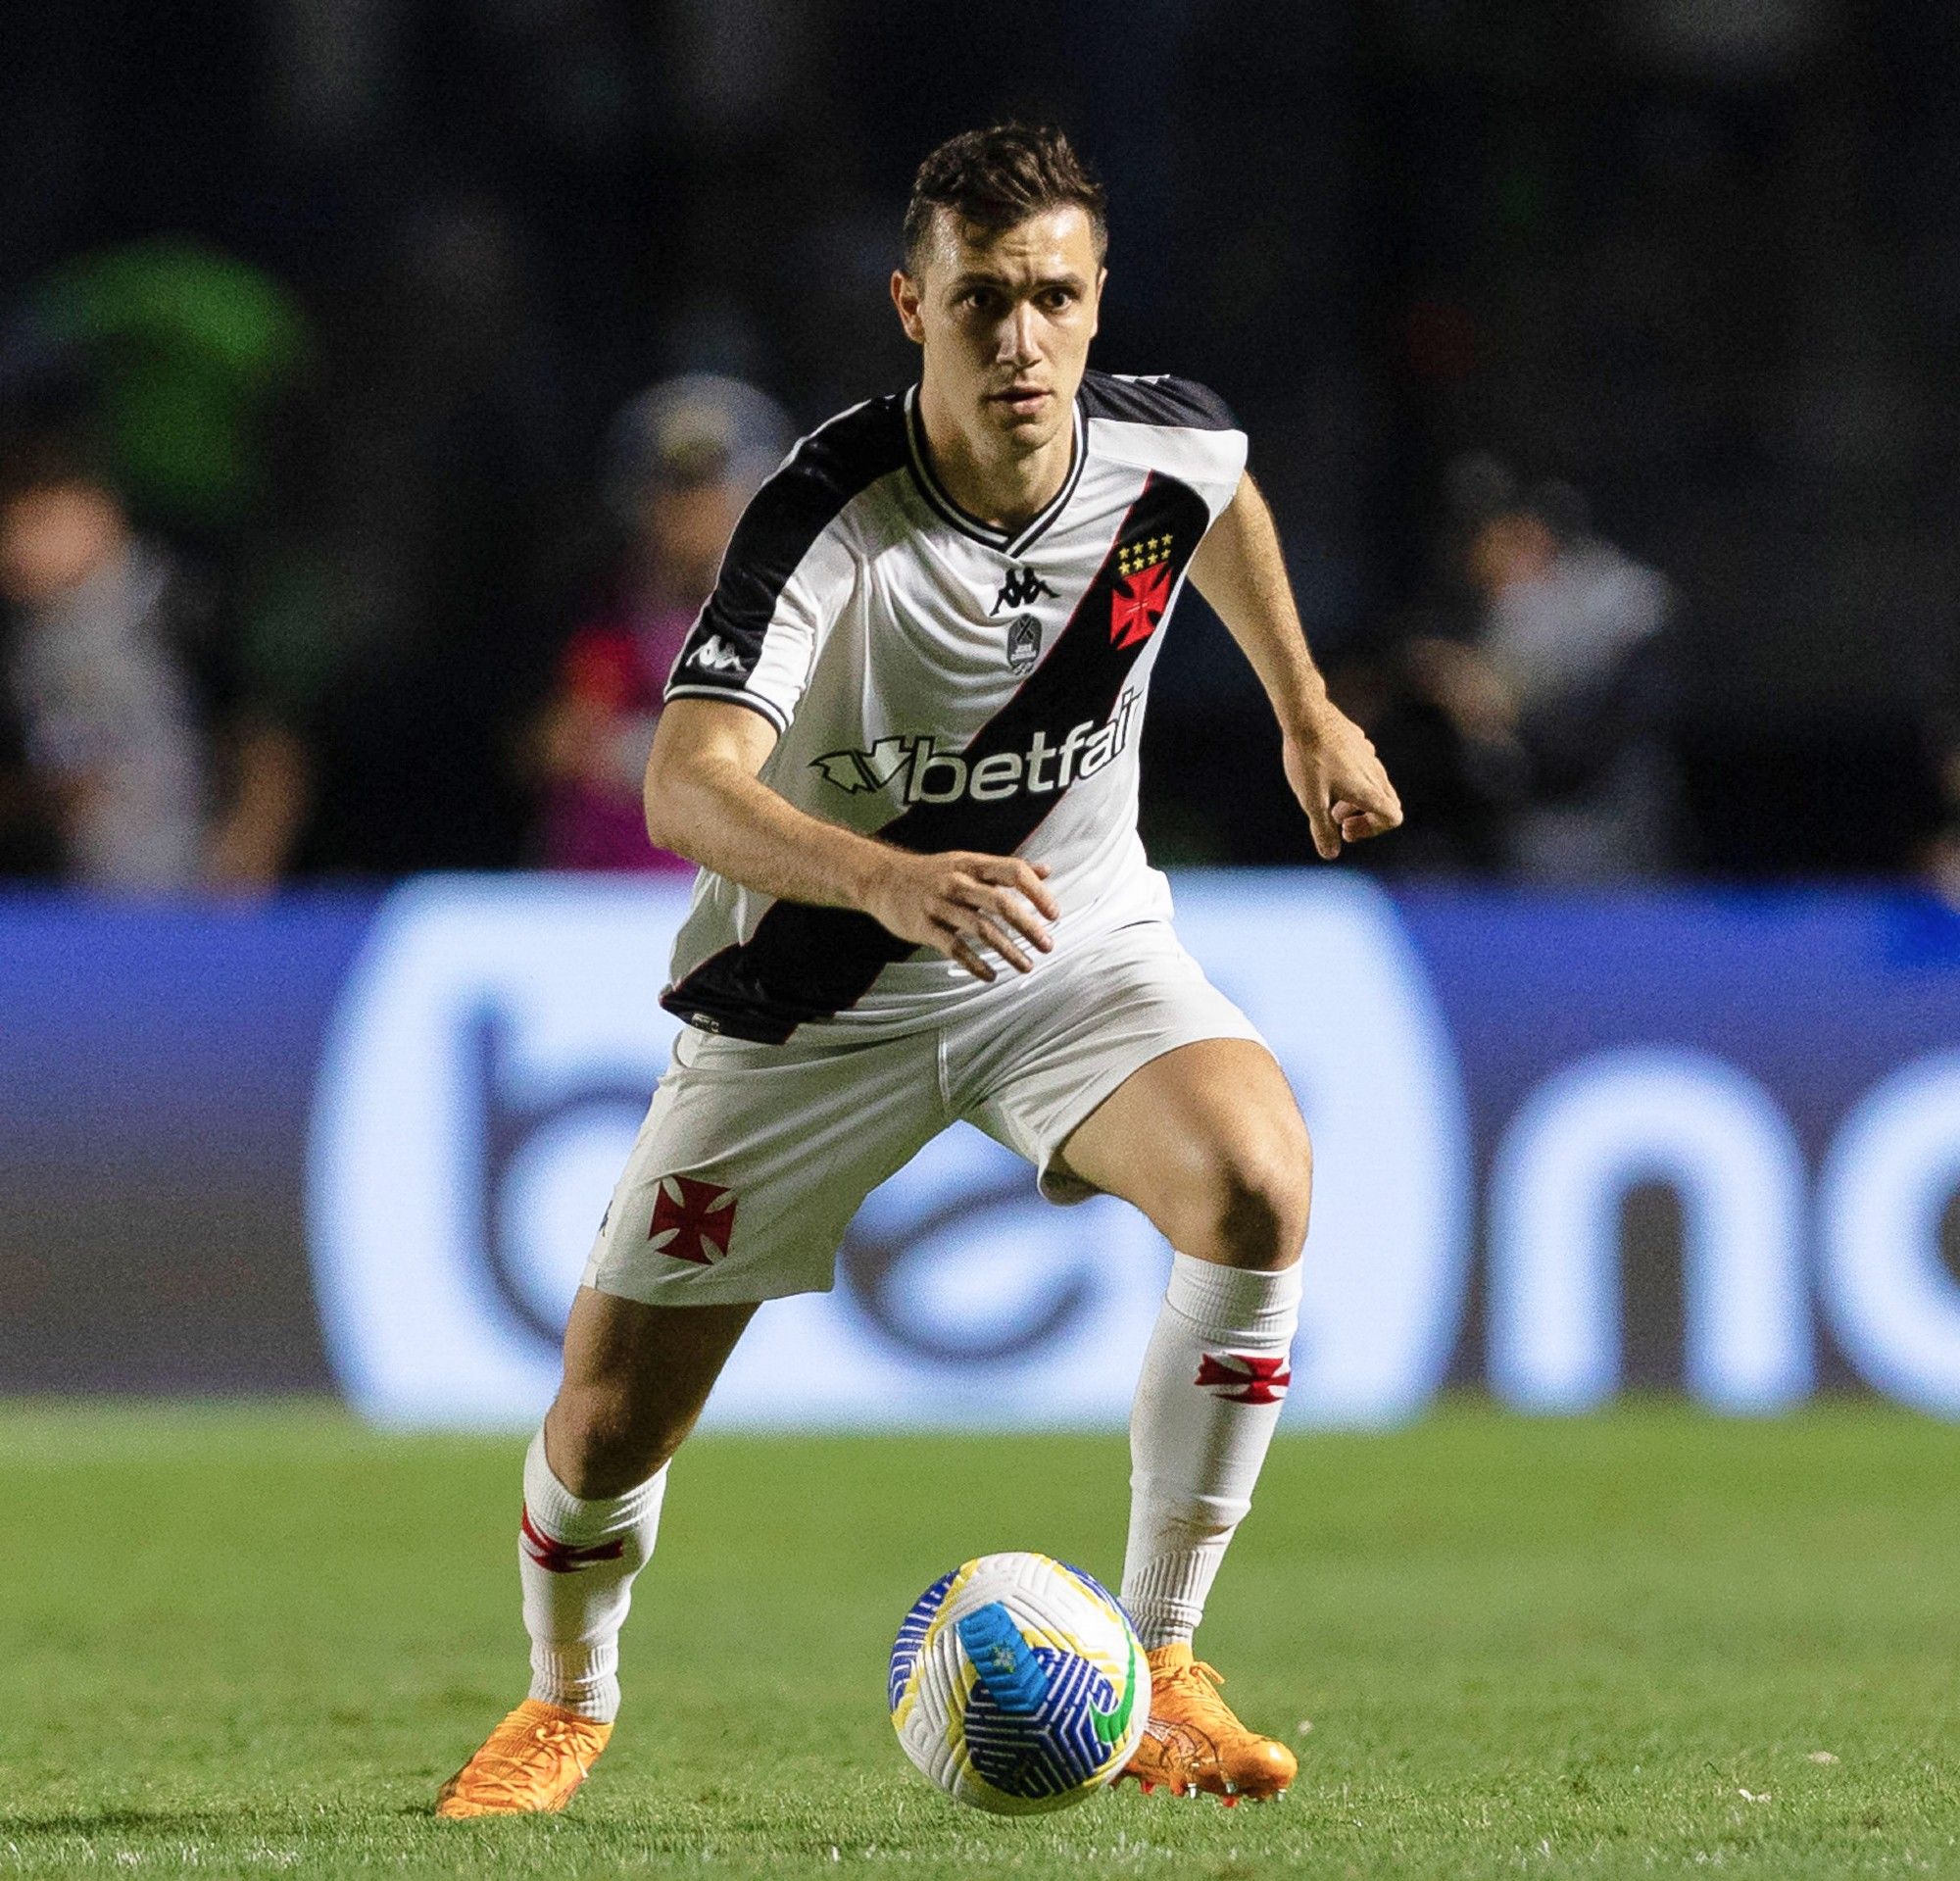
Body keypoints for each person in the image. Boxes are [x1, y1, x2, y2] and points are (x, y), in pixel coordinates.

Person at [435, 124, 1400, 1819]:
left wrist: (1304, 708)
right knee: (603, 1428)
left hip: (1064, 948)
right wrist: (890, 878)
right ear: (912, 306)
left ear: (1096, 298)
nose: (1021, 339)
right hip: (813, 998)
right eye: (980, 302)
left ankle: (1166, 1660)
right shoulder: (827, 515)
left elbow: (1223, 496)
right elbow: (684, 787)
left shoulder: (1161, 443)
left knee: (1257, 1179)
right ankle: (565, 1698)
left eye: (1053, 298)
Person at [528, 374, 794, 870]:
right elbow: (559, 744)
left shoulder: (804, 615)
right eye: (676, 494)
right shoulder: (609, 615)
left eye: (714, 492)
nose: (695, 515)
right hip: (615, 888)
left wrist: (637, 751)